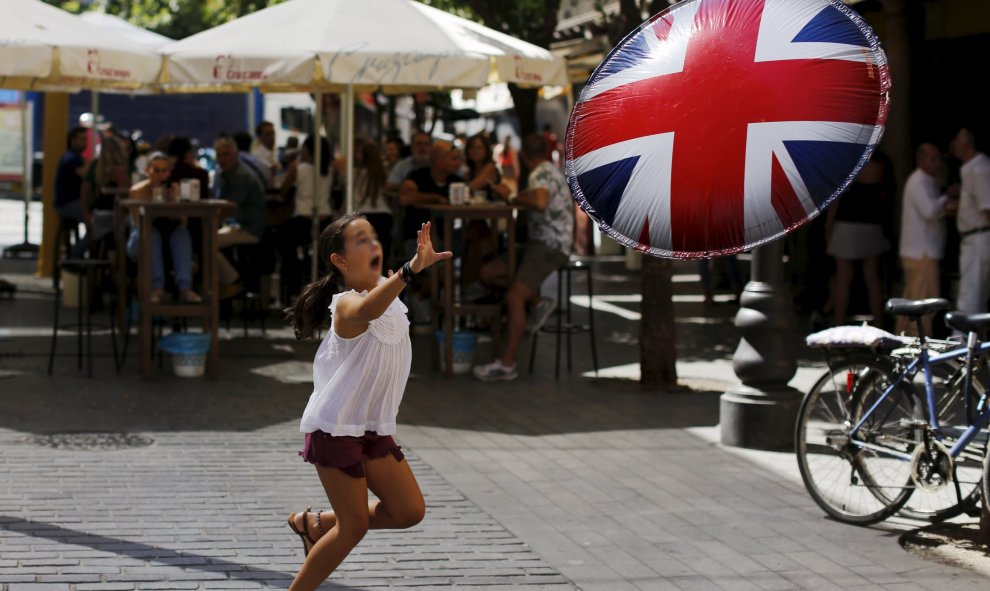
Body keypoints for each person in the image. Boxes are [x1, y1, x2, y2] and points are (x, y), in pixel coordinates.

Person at [283, 215, 450, 590]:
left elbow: (381, 302)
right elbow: (367, 311)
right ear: (340, 261)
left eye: (373, 237)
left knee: (409, 511)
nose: (372, 245)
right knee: (353, 526)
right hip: (336, 428)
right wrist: (409, 271)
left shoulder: (387, 291)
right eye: (361, 240)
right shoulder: (345, 305)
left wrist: (400, 277)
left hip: (372, 429)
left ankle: (317, 523)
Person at [473, 134, 575, 382]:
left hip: (549, 245)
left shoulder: (540, 172)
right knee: (490, 272)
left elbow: (539, 201)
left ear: (523, 156)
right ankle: (538, 301)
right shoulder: (548, 170)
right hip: (542, 242)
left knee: (514, 297)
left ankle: (507, 364)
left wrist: (510, 197)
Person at [825, 152, 894, 326]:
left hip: (846, 224)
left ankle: (838, 325)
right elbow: (885, 197)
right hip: (872, 224)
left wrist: (829, 227)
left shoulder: (849, 163)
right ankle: (879, 323)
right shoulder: (881, 165)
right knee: (873, 279)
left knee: (843, 279)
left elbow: (835, 201)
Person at [897, 143, 956, 336]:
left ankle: (902, 345)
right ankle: (920, 350)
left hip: (921, 252)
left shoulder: (926, 181)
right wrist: (947, 196)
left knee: (911, 302)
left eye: (938, 159)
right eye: (933, 159)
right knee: (923, 305)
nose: (938, 164)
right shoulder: (919, 181)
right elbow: (929, 212)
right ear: (921, 161)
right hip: (922, 253)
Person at [125, 152, 200, 304]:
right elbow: (138, 223)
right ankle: (157, 287)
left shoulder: (173, 190)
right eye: (156, 170)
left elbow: (183, 222)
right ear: (148, 171)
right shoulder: (138, 191)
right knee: (151, 234)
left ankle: (185, 287)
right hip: (142, 236)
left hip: (167, 236)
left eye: (164, 171)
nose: (160, 175)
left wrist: (174, 204)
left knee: (181, 233)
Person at [277, 135, 334, 300]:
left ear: (308, 149)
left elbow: (283, 189)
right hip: (325, 217)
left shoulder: (298, 168)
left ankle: (293, 289)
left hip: (302, 217)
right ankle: (321, 290)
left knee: (288, 249)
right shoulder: (330, 169)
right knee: (320, 256)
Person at [214, 137, 268, 293]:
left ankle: (232, 280)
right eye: (219, 155)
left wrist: (212, 224)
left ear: (236, 155)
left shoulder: (241, 175)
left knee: (206, 243)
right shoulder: (226, 173)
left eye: (226, 154)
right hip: (237, 226)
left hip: (249, 229)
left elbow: (227, 207)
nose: (222, 159)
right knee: (205, 241)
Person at [949, 127, 990, 315]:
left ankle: (964, 343)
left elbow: (987, 207)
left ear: (965, 144)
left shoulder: (979, 168)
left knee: (970, 301)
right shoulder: (970, 168)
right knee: (972, 297)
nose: (953, 145)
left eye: (957, 140)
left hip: (979, 239)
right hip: (972, 240)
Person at [353, 142, 394, 263]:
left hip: (363, 216)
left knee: (364, 256)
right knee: (381, 255)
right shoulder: (383, 173)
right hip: (384, 216)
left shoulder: (356, 173)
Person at [54, 127, 91, 258]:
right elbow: (86, 175)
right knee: (96, 224)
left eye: (86, 139)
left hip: (68, 203)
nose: (85, 143)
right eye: (82, 139)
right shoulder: (72, 159)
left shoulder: (72, 157)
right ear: (72, 140)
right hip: (68, 204)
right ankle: (75, 256)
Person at [384, 131, 432, 197]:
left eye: (426, 144)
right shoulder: (402, 165)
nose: (422, 148)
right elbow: (390, 186)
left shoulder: (438, 165)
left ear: (432, 146)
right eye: (418, 144)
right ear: (412, 147)